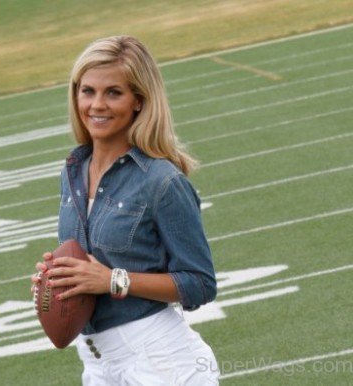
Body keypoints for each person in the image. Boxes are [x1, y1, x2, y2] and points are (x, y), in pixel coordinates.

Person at [31, 35, 219, 385]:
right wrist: (57, 279)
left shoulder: (162, 181)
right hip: (97, 362)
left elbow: (200, 284)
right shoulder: (73, 169)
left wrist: (113, 280)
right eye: (87, 91)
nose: (97, 104)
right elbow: (87, 263)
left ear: (139, 100)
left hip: (159, 361)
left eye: (113, 92)